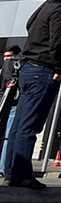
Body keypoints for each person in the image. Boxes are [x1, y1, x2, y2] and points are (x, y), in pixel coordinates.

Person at [3, 0, 61, 190]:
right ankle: (23, 175)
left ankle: (11, 172)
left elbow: (30, 29)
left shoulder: (41, 9)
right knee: (30, 125)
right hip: (43, 69)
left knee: (18, 125)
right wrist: (59, 68)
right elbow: (58, 41)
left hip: (28, 69)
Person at [0, 46, 21, 179]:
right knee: (8, 135)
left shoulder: (10, 67)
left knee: (8, 135)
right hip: (9, 103)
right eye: (5, 56)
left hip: (10, 103)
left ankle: (3, 167)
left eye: (9, 56)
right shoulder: (8, 67)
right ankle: (4, 167)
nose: (7, 59)